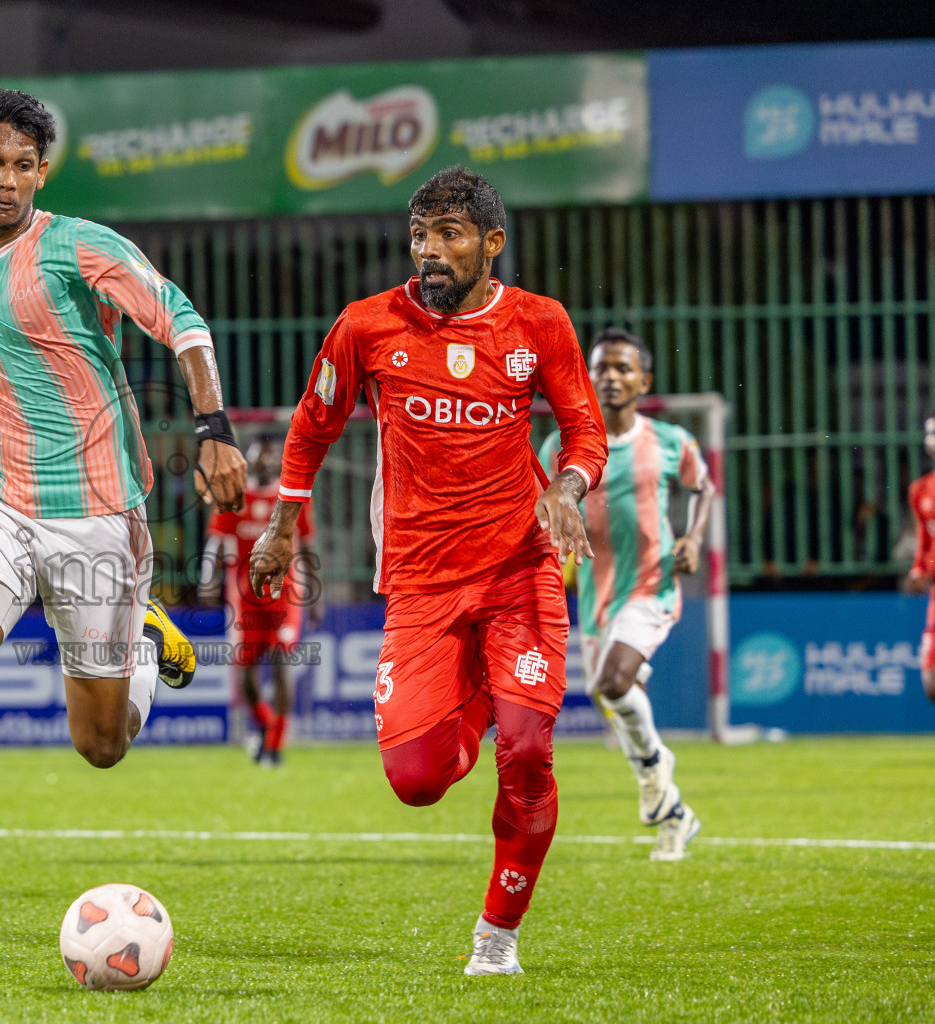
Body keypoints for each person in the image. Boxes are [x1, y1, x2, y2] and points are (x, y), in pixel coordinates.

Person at [0, 87, 246, 962]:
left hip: (101, 519)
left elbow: (181, 320)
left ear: (43, 171)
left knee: (101, 748)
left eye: (23, 166)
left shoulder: (79, 247)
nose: (6, 180)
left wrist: (213, 426)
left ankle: (142, 644)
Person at [250, 167, 606, 976]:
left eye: (447, 233)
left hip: (522, 568)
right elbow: (312, 428)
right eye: (419, 234)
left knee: (525, 750)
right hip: (421, 582)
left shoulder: (539, 324)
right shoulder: (367, 326)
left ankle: (497, 936)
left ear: (491, 243)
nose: (429, 251)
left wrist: (571, 487)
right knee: (416, 781)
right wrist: (279, 527)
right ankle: (484, 693)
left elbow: (584, 430)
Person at [539, 328, 715, 861]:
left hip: (651, 584)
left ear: (645, 380)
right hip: (594, 594)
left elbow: (702, 487)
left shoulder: (668, 440)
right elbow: (543, 507)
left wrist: (693, 538)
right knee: (609, 692)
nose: (610, 377)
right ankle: (673, 811)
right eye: (601, 368)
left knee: (614, 683)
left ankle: (658, 771)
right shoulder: (561, 447)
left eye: (622, 368)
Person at [200, 434, 317, 768]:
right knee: (247, 675)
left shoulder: (293, 497)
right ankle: (266, 725)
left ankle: (275, 747)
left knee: (282, 665)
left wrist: (317, 597)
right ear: (250, 460)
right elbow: (215, 542)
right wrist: (207, 580)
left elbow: (306, 543)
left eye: (271, 456)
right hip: (245, 599)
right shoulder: (236, 496)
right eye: (259, 455)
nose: (266, 461)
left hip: (285, 595)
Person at [906, 412, 935, 704]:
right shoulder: (921, 490)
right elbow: (924, 539)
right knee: (931, 683)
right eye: (930, 433)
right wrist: (917, 570)